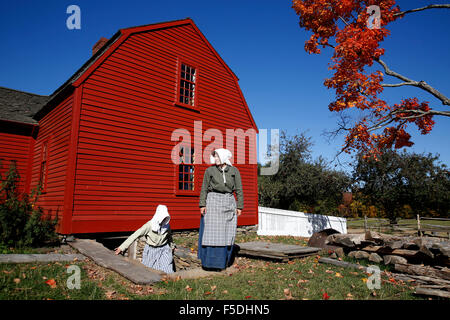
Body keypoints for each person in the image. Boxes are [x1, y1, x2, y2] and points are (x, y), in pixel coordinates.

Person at [198, 148, 244, 270]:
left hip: (228, 202)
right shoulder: (210, 171)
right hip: (213, 202)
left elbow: (239, 189)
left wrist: (240, 206)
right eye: (214, 157)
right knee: (211, 232)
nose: (215, 159)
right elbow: (204, 188)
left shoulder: (234, 171)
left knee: (226, 233)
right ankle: (208, 263)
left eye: (217, 157)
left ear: (223, 157)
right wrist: (202, 204)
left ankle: (223, 262)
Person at [114, 204, 175, 274]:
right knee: (149, 271)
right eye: (163, 217)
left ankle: (169, 283)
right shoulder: (149, 226)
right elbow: (134, 235)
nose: (164, 219)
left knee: (167, 269)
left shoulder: (167, 226)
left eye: (165, 217)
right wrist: (121, 248)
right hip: (152, 250)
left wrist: (172, 246)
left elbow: (169, 236)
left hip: (164, 249)